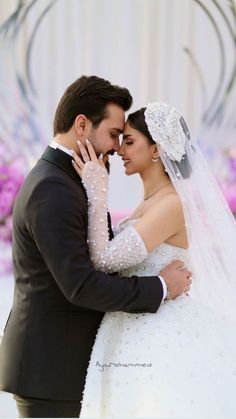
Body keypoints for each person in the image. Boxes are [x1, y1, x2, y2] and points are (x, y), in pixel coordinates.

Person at [0, 77, 190, 418]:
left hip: (64, 368)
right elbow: (82, 283)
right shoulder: (53, 188)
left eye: (125, 139)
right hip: (49, 370)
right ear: (82, 125)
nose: (117, 148)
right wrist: (161, 286)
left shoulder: (71, 179)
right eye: (115, 135)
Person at [72, 102, 236, 418]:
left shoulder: (172, 204)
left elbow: (105, 260)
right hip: (128, 328)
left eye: (130, 141)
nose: (120, 150)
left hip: (158, 335)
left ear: (157, 149)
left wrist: (97, 192)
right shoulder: (149, 202)